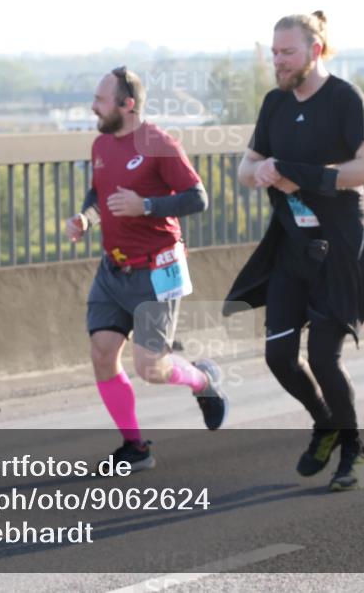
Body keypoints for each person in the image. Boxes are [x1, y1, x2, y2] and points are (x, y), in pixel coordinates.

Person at [225, 12, 364, 491]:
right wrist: (257, 173)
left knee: (322, 357)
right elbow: (246, 164)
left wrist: (309, 176)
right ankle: (326, 424)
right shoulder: (275, 102)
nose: (277, 61)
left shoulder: (344, 97)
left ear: (315, 51)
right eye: (274, 52)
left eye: (287, 52)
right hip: (292, 245)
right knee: (278, 356)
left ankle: (355, 453)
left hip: (341, 244)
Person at [66, 66, 229, 471]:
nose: (93, 107)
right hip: (113, 269)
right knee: (102, 354)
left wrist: (147, 206)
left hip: (155, 271)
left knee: (151, 369)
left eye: (101, 101)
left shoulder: (159, 144)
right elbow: (97, 192)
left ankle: (203, 380)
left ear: (127, 104)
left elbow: (198, 198)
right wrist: (87, 218)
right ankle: (136, 448)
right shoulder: (102, 144)